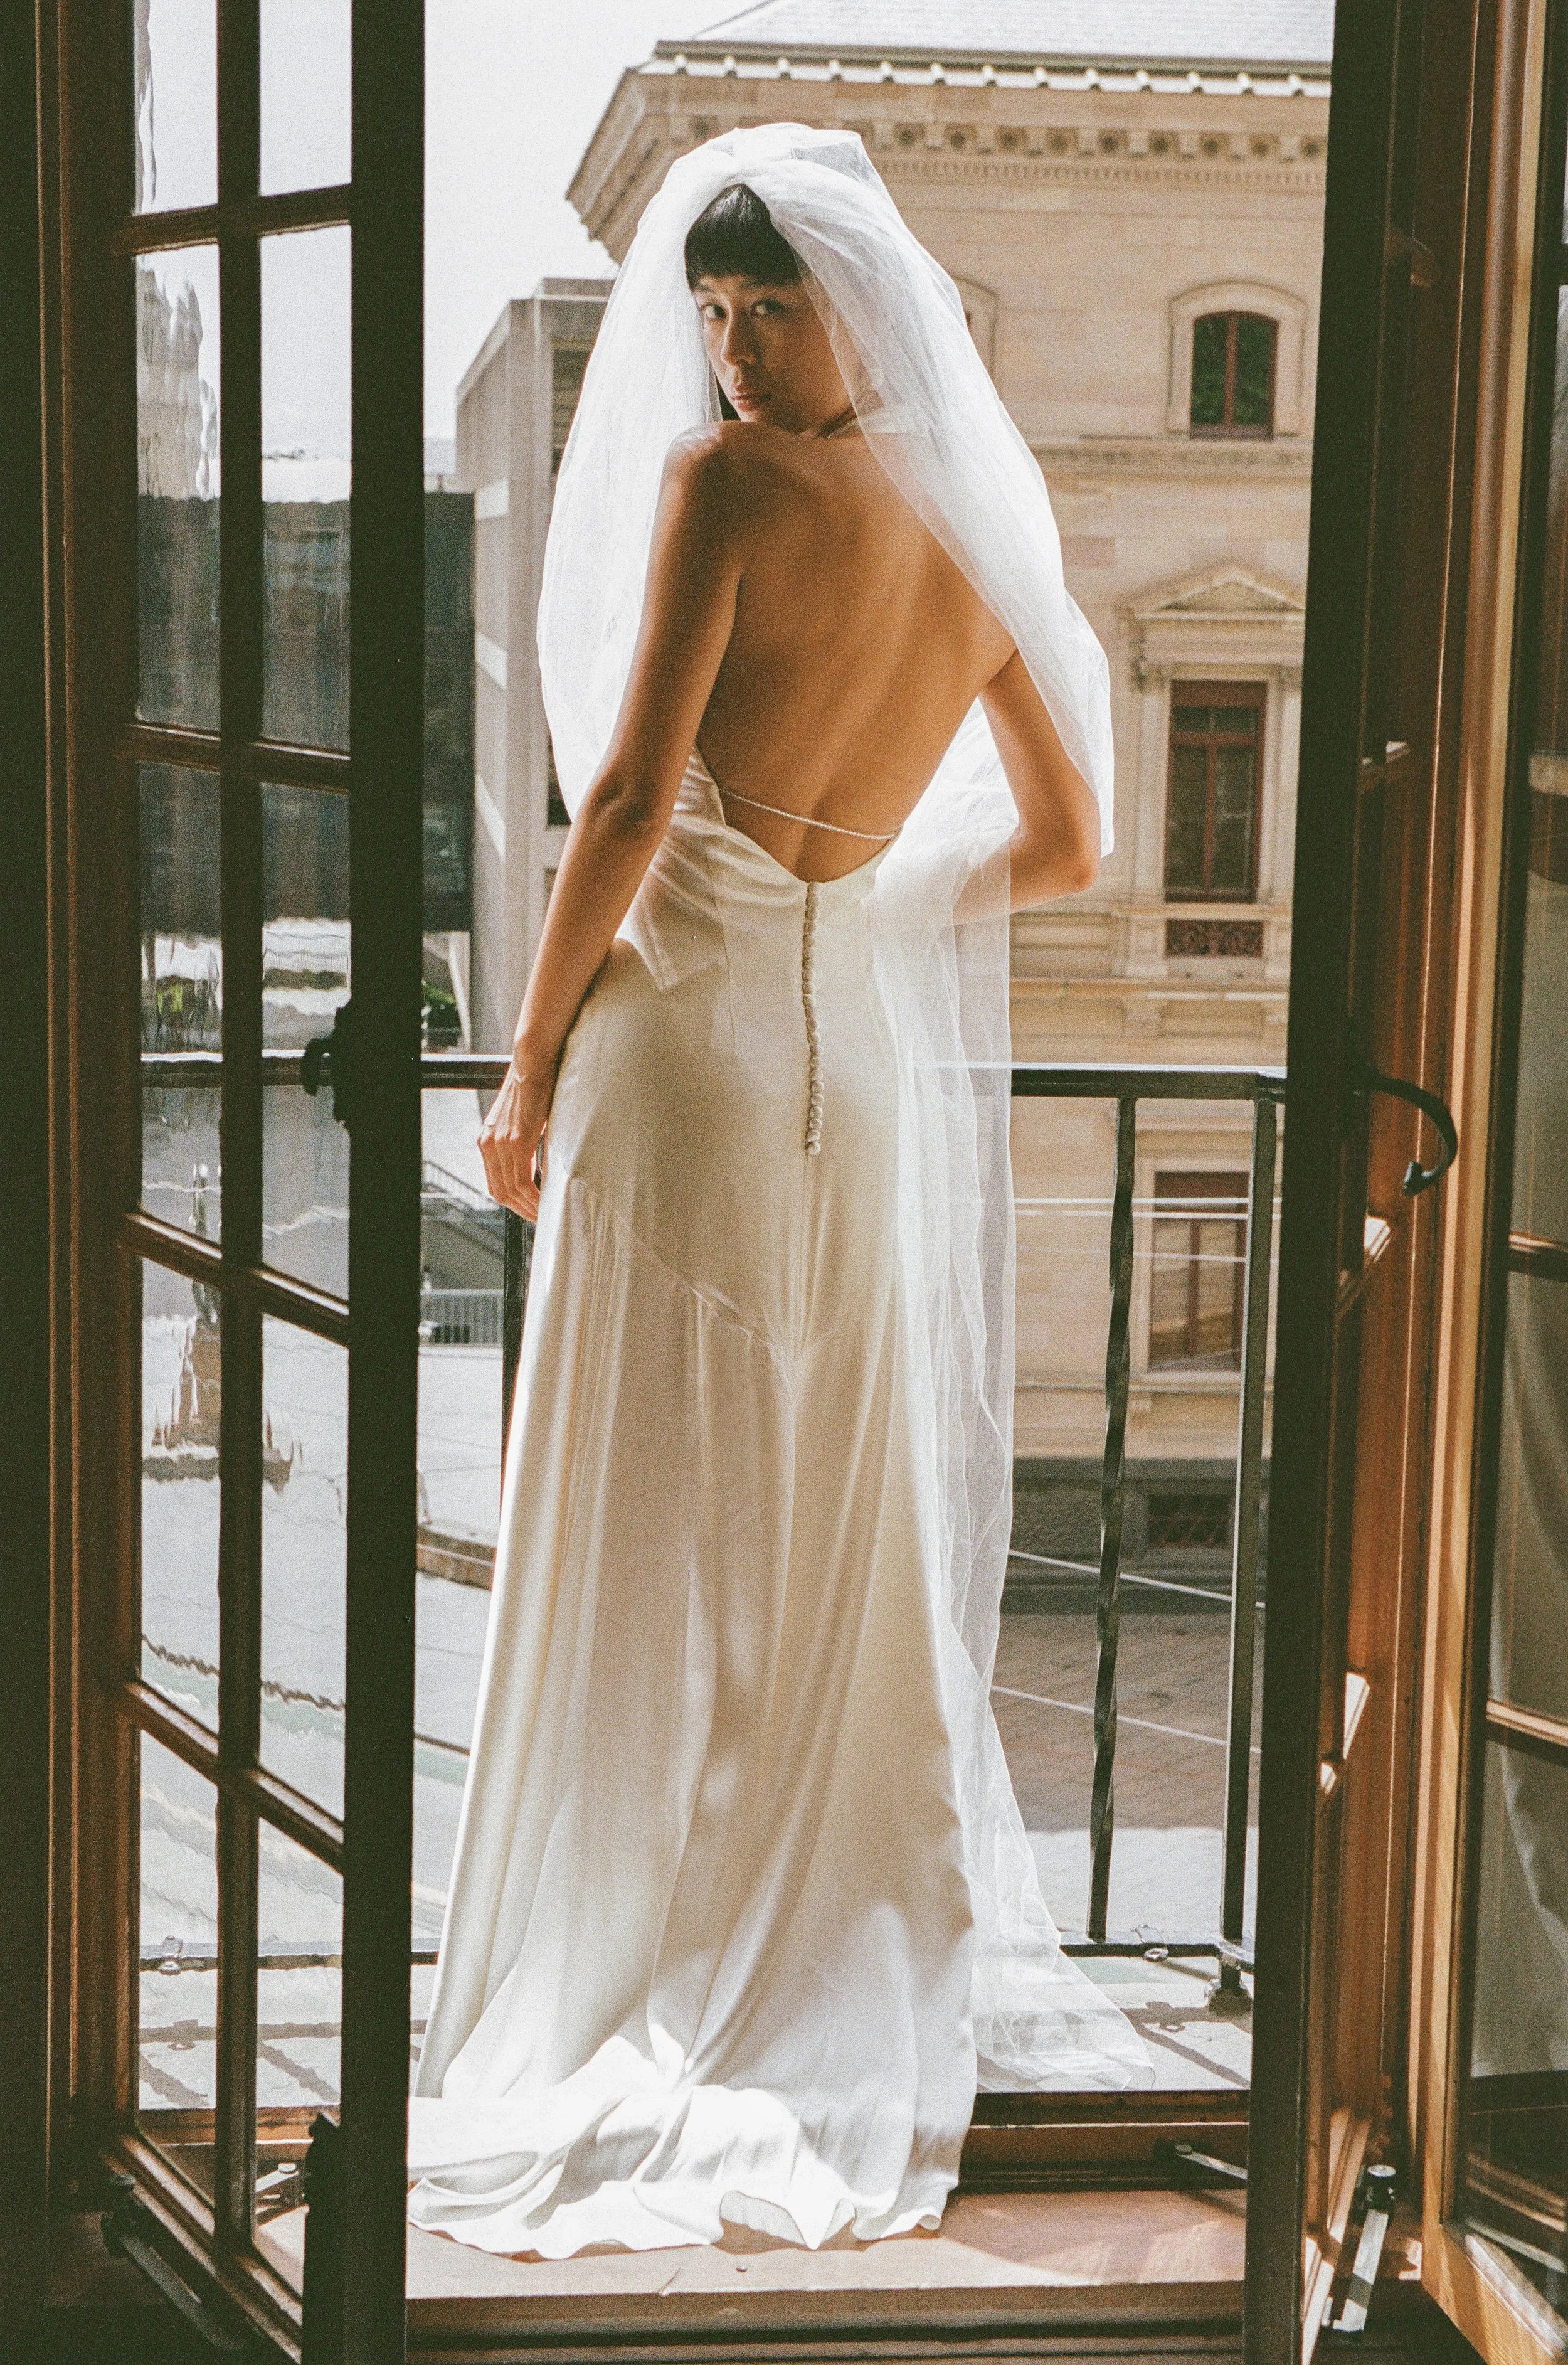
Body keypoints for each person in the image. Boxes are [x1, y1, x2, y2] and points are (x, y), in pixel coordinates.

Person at [408, 124, 1149, 2263]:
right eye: (710, 317)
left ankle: (639, 1942)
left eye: (765, 310)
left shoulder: (726, 490)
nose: (732, 355)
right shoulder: (957, 517)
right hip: (841, 1053)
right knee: (816, 1491)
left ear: (850, 301)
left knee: (656, 1500)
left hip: (684, 1050)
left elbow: (629, 796)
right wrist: (870, 918)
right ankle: (812, 1929)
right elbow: (1070, 844)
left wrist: (528, 1059)